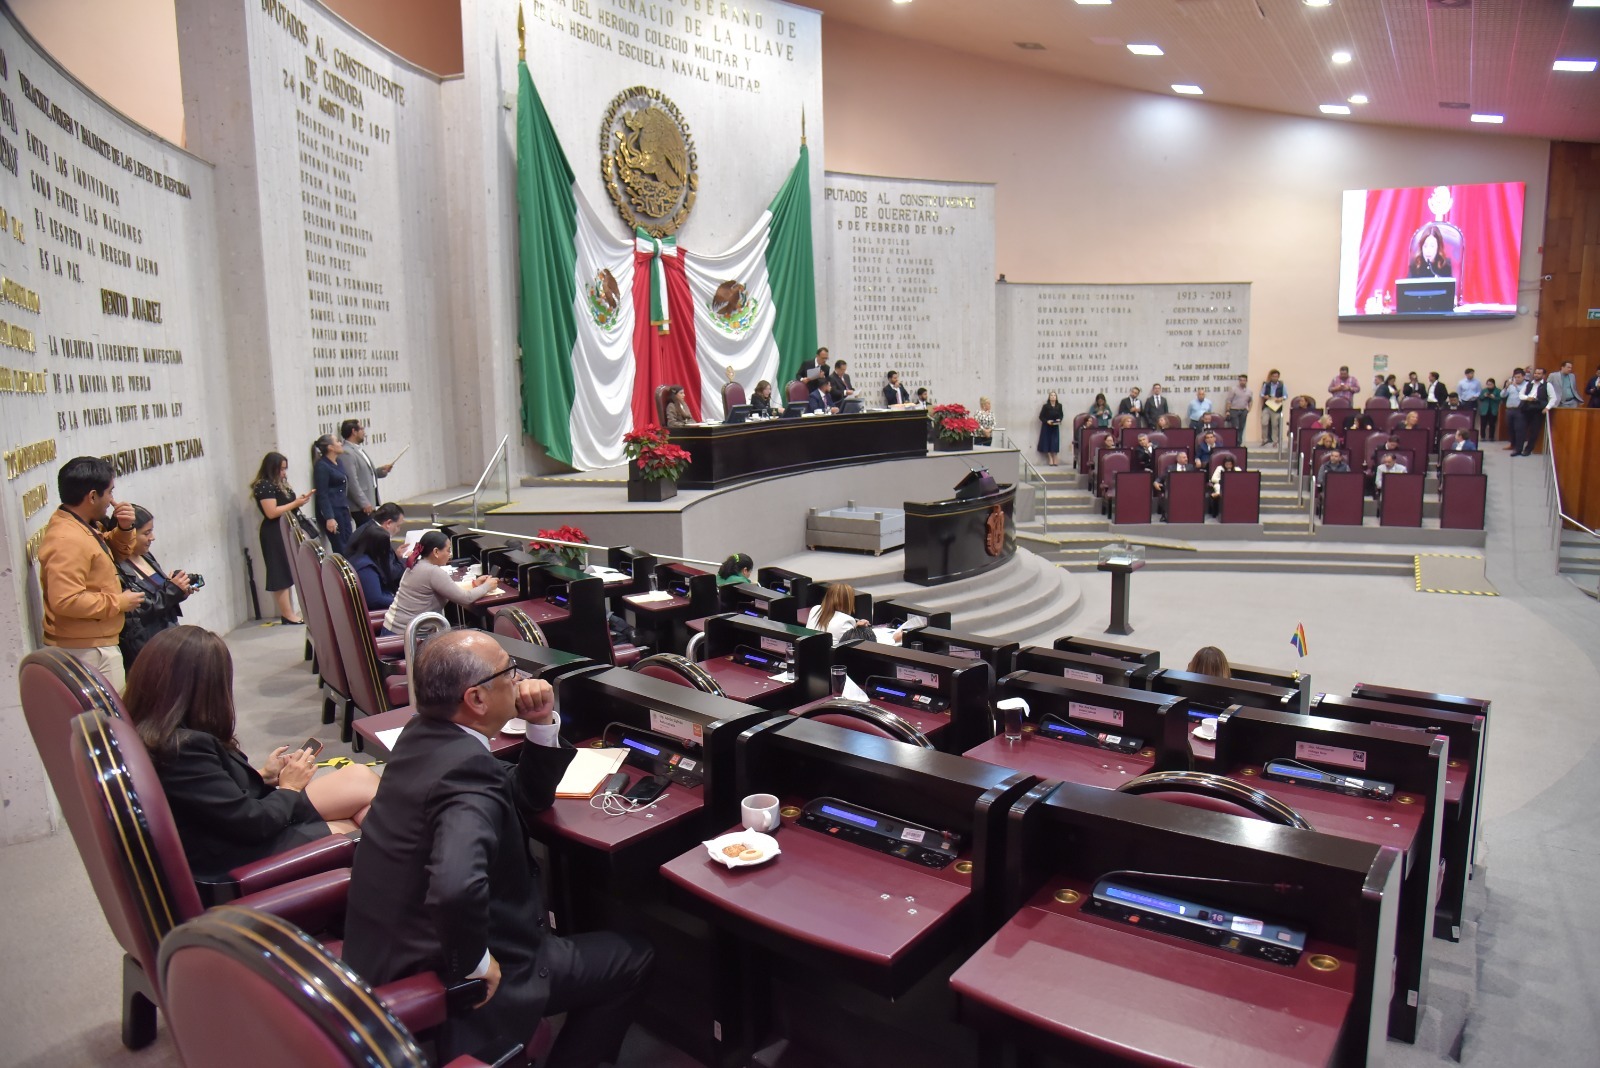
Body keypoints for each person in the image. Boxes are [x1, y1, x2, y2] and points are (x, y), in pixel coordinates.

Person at [342, 630, 654, 1065]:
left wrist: (540, 723)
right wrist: (474, 963)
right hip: (450, 973)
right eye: (510, 671)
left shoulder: (422, 735)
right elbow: (454, 886)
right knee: (633, 957)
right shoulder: (466, 771)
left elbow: (521, 796)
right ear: (476, 699)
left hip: (384, 955)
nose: (521, 680)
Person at [125, 626, 379, 880]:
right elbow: (251, 823)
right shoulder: (183, 749)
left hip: (229, 827)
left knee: (359, 778)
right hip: (235, 853)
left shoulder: (150, 732)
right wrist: (290, 787)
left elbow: (209, 795)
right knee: (359, 826)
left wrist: (262, 775)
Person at [37, 456, 143, 692]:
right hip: (87, 650)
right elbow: (66, 600)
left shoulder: (82, 524)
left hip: (94, 642)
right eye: (110, 492)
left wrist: (124, 528)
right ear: (93, 496)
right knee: (108, 715)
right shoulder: (67, 539)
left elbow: (110, 553)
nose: (112, 501)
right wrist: (118, 602)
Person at [114, 505, 194, 669]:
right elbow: (138, 613)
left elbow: (161, 595)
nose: (152, 537)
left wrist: (180, 590)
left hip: (169, 636)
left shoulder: (146, 556)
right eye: (146, 533)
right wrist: (172, 590)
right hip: (147, 647)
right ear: (129, 533)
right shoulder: (116, 567)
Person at [382, 530, 499, 636]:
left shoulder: (416, 564)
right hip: (406, 637)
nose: (450, 554)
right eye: (448, 550)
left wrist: (474, 585)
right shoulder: (433, 572)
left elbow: (449, 590)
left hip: (393, 630)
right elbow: (466, 598)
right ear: (436, 552)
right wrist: (487, 586)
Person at [250, 451, 315, 625]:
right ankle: (287, 614)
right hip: (274, 532)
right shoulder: (264, 485)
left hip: (286, 528)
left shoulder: (279, 484)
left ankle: (290, 612)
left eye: (285, 469)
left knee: (288, 569)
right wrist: (295, 503)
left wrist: (299, 501)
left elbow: (286, 505)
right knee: (279, 572)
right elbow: (271, 512)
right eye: (281, 469)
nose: (284, 473)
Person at [338, 419, 392, 523]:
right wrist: (363, 502)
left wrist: (380, 471)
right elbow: (352, 481)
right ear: (354, 431)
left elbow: (364, 473)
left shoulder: (358, 449)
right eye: (362, 429)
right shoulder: (347, 452)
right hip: (360, 506)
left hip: (369, 501)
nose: (364, 432)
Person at [312, 434, 353, 555]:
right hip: (333, 510)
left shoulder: (338, 462)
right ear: (330, 447)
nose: (341, 443)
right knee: (341, 547)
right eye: (337, 441)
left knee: (350, 543)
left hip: (343, 507)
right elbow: (322, 494)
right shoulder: (322, 466)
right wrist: (329, 517)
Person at [346, 521, 401, 610]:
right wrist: (400, 602)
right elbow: (375, 600)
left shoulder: (358, 557)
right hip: (379, 612)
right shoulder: (366, 568)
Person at [806, 583, 872, 643]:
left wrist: (855, 626)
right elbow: (858, 645)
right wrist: (861, 630)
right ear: (848, 602)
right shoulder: (845, 622)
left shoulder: (815, 609)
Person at [1153, 450, 1191, 519]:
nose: (1186, 459)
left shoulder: (1190, 467)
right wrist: (1156, 482)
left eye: (1186, 457)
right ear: (1178, 459)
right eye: (1184, 457)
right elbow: (1161, 477)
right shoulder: (1170, 468)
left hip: (1187, 488)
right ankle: (1166, 515)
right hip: (1173, 488)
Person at [1260, 369, 1286, 445]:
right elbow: (1261, 394)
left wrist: (1281, 398)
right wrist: (1265, 396)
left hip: (1276, 407)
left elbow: (1285, 395)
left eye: (1276, 376)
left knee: (1275, 425)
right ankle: (1264, 439)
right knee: (1264, 423)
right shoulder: (1266, 385)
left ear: (1278, 377)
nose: (1275, 378)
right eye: (1273, 376)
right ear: (1271, 377)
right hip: (1267, 406)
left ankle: (1275, 441)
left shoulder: (1282, 385)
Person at [1038, 390, 1063, 466]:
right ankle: (1050, 458)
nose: (1053, 397)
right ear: (1049, 397)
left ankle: (1055, 457)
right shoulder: (1045, 406)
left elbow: (1061, 415)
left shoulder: (1059, 406)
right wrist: (1047, 421)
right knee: (1047, 442)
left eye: (1054, 395)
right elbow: (1041, 417)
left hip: (1055, 426)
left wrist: (1059, 419)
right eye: (1051, 395)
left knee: (1054, 442)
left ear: (1056, 397)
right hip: (1047, 426)